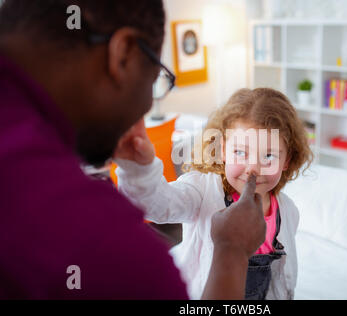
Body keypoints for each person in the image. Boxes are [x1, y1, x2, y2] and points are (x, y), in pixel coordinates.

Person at [0, 0, 265, 299]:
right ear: (123, 53)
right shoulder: (112, 247)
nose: (148, 105)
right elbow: (162, 203)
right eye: (156, 78)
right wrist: (232, 250)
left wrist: (139, 171)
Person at [115, 88, 314, 299]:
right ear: (222, 150)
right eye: (240, 152)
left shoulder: (289, 212)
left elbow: (283, 280)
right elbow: (155, 205)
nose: (253, 168)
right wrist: (138, 169)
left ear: (287, 161)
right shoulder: (201, 190)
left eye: (268, 156)